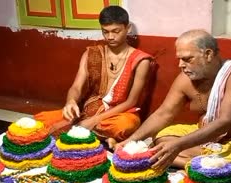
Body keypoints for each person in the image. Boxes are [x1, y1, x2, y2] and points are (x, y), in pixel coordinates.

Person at [118, 29, 231, 181]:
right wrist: (130, 141)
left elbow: (226, 121)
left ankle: (196, 163)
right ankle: (203, 167)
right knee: (162, 136)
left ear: (208, 54)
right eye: (179, 59)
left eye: (187, 59)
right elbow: (164, 114)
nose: (181, 65)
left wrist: (179, 145)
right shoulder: (185, 79)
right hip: (205, 135)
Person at [34, 6, 153, 144]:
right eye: (105, 32)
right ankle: (99, 135)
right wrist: (70, 101)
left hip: (120, 113)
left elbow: (131, 102)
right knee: (41, 120)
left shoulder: (141, 60)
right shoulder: (91, 54)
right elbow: (76, 87)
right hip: (89, 109)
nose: (110, 37)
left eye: (116, 31)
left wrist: (93, 121)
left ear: (128, 28)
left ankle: (83, 130)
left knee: (125, 125)